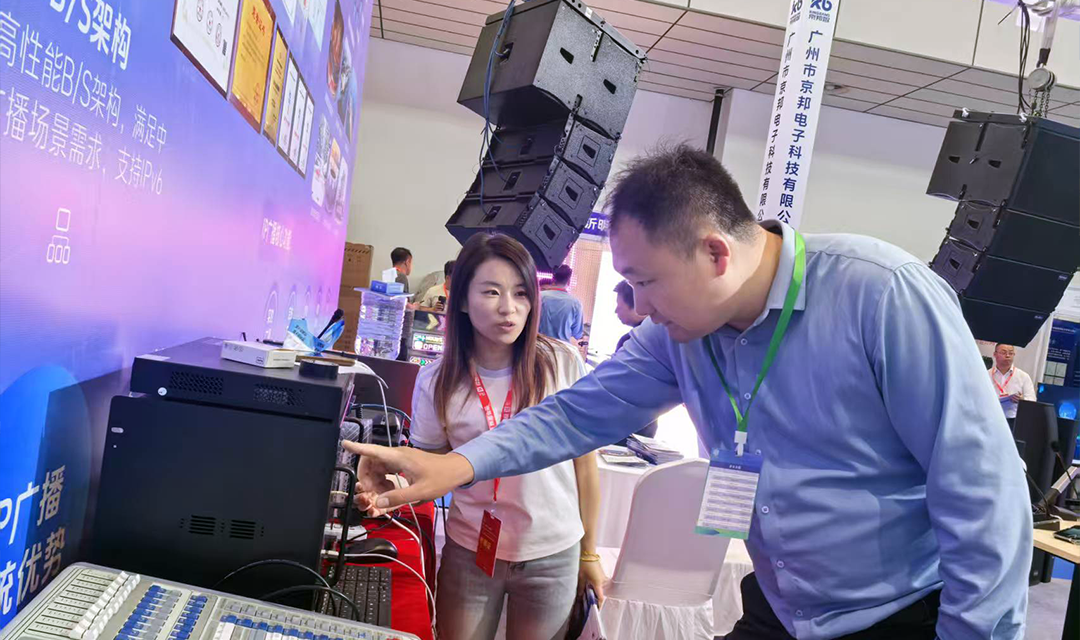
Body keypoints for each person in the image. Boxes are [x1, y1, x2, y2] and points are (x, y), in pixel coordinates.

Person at [345, 145, 1030, 640]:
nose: (638, 307)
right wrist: (451, 466)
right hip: (783, 608)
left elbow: (985, 498)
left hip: (897, 615)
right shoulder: (678, 336)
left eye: (646, 282)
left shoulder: (881, 297)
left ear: (714, 252)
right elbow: (572, 416)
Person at [385, 234, 604, 640]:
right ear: (462, 300)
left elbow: (586, 466)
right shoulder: (437, 380)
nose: (509, 308)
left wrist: (590, 553)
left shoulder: (561, 363)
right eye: (491, 292)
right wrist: (390, 481)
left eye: (521, 293)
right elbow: (430, 469)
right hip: (471, 550)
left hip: (552, 553)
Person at [612, 280, 657, 439]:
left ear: (637, 303)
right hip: (648, 420)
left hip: (626, 421)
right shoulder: (651, 335)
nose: (616, 311)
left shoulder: (633, 340)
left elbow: (617, 383)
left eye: (619, 305)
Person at [988, 343, 1036, 422]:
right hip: (990, 417)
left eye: (1011, 353)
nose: (1007, 356)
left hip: (1014, 420)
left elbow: (1032, 401)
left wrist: (1022, 400)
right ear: (995, 354)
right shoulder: (986, 375)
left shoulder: (1023, 376)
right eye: (1003, 352)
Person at [537, 265, 584, 344]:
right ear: (569, 282)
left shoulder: (539, 297)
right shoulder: (576, 304)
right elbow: (577, 334)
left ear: (553, 279)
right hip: (561, 348)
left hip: (539, 346)